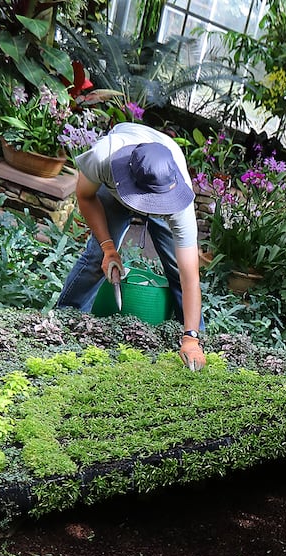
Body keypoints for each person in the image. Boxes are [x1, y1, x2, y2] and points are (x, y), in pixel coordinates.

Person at [57, 121, 207, 371]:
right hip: (117, 190)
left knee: (176, 268)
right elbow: (85, 196)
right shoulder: (103, 157)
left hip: (163, 188)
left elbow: (189, 276)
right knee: (97, 258)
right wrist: (108, 248)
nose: (148, 210)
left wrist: (191, 336)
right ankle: (66, 321)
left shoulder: (180, 205)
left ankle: (194, 342)